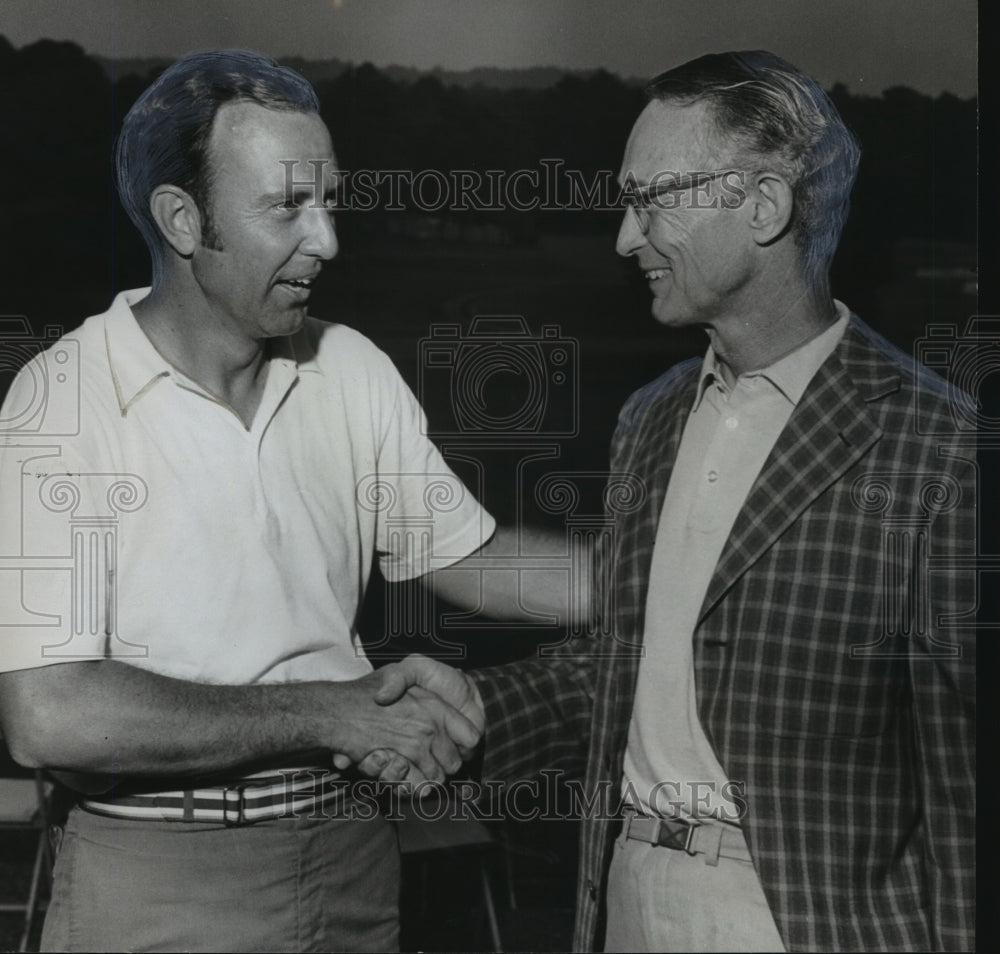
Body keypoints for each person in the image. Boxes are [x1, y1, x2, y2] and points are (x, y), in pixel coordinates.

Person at [378, 51, 976, 952]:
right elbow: (624, 669)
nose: (625, 236)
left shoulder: (941, 446)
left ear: (765, 207)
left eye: (653, 198)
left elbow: (968, 787)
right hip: (628, 896)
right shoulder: (650, 420)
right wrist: (472, 708)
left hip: (806, 924)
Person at [0, 49, 562, 952]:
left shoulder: (350, 369)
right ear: (183, 221)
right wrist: (330, 711)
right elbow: (51, 713)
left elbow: (477, 561)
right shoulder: (58, 401)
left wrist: (672, 576)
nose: (328, 240)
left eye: (329, 201)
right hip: (158, 880)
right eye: (286, 207)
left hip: (356, 856)